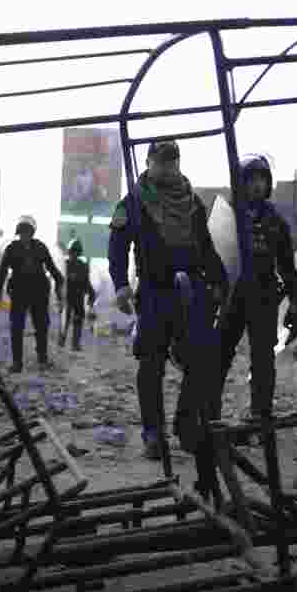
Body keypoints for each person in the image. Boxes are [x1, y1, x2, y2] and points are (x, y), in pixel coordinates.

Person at [108, 140, 227, 460]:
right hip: (154, 290)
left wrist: (219, 282)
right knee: (151, 363)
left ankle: (187, 428)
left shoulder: (192, 202)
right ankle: (153, 433)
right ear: (148, 162)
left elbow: (206, 248)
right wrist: (120, 284)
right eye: (160, 161)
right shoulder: (134, 202)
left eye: (172, 161)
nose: (166, 167)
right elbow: (117, 246)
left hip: (192, 290)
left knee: (201, 360)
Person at [208, 155, 297, 442]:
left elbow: (287, 266)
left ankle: (261, 418)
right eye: (251, 180)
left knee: (263, 361)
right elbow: (213, 259)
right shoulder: (229, 217)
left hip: (263, 297)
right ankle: (211, 415)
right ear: (241, 183)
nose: (257, 185)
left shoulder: (275, 221)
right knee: (219, 357)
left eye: (262, 179)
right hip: (233, 297)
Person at [0, 215, 64, 372]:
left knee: (41, 326)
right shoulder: (11, 248)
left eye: (27, 231)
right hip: (19, 293)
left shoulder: (40, 247)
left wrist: (60, 291)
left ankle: (42, 359)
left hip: (39, 293)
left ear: (32, 232)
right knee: (16, 327)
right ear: (18, 233)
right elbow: (2, 272)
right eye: (22, 232)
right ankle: (17, 363)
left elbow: (54, 271)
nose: (25, 235)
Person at [58, 238, 96, 352]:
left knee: (78, 320)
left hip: (78, 297)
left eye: (75, 252)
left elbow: (86, 282)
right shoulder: (65, 265)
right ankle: (62, 341)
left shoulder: (82, 266)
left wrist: (91, 294)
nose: (73, 254)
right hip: (68, 297)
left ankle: (75, 344)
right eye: (72, 252)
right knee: (65, 320)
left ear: (78, 253)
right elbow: (60, 282)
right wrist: (59, 298)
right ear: (69, 253)